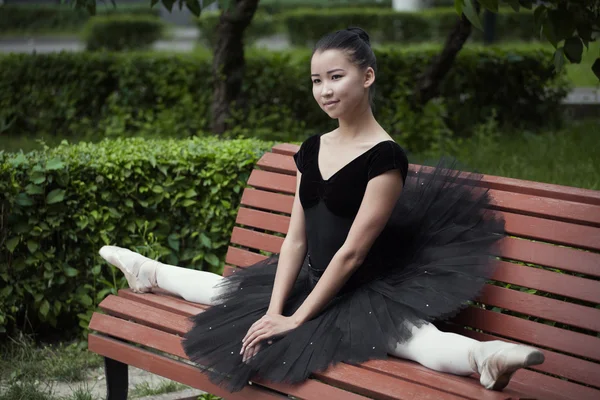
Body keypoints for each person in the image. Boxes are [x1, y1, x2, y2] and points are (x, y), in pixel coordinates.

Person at [99, 27, 544, 393]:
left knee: (407, 338)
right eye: (316, 80)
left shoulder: (385, 158)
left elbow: (352, 253)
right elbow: (296, 237)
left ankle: (484, 358)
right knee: (226, 294)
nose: (324, 90)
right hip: (312, 276)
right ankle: (148, 272)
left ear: (367, 77)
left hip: (361, 286)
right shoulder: (312, 149)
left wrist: (296, 318)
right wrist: (275, 310)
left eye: (336, 77)